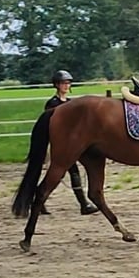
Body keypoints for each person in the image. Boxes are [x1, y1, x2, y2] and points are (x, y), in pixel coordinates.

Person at [41, 69, 99, 216]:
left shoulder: (71, 103)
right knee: (65, 173)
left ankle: (40, 200)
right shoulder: (52, 103)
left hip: (73, 143)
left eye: (68, 83)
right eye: (63, 83)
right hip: (63, 144)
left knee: (71, 173)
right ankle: (83, 204)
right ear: (57, 85)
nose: (66, 86)